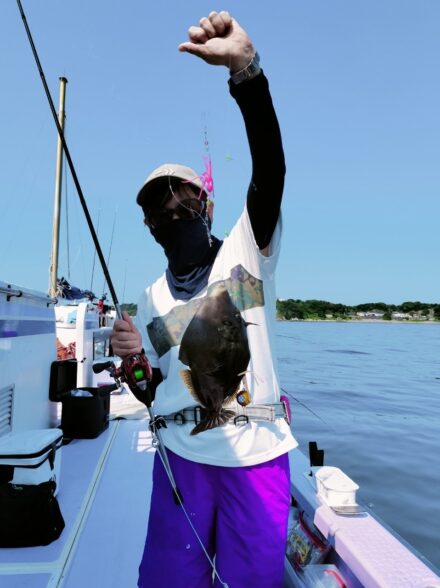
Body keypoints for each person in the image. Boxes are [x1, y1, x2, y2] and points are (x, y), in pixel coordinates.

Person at [110, 10, 298, 588]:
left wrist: (247, 73)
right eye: (156, 209)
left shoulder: (245, 250)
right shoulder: (150, 296)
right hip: (181, 459)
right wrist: (135, 361)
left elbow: (271, 167)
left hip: (256, 456)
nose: (171, 213)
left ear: (206, 204)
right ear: (147, 226)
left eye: (181, 199)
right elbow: (150, 390)